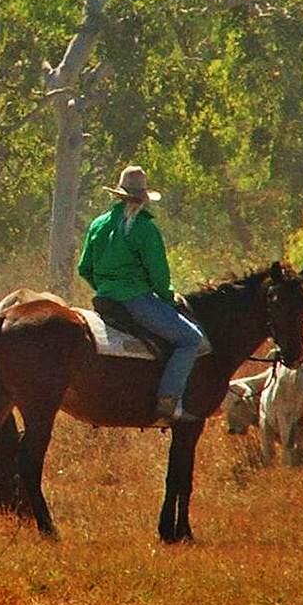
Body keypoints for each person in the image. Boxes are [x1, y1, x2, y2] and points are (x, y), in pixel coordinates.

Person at [77, 165, 206, 425]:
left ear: (118, 195)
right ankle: (168, 401)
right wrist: (168, 299)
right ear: (142, 199)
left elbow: (84, 268)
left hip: (104, 300)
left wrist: (105, 287)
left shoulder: (98, 224)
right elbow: (159, 276)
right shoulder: (145, 229)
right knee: (191, 339)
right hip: (136, 301)